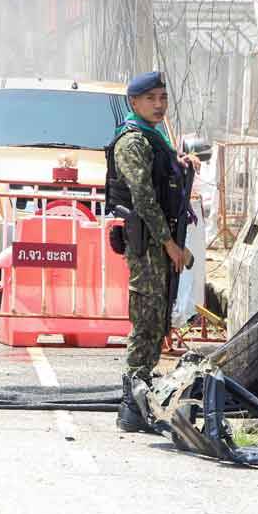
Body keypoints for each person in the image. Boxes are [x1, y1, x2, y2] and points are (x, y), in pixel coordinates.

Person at [105, 71, 199, 433]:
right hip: (149, 245)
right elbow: (143, 198)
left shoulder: (152, 138)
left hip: (158, 244)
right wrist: (170, 244)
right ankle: (132, 404)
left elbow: (163, 180)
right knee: (145, 323)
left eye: (163, 97)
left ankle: (143, 396)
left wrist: (183, 165)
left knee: (157, 319)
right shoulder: (132, 141)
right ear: (134, 102)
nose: (159, 105)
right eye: (151, 99)